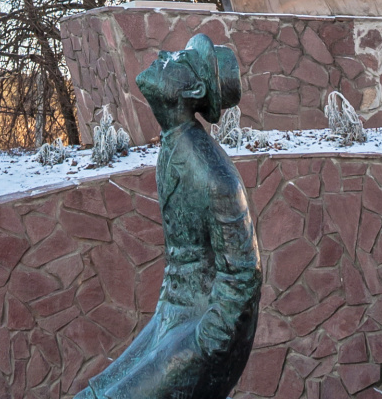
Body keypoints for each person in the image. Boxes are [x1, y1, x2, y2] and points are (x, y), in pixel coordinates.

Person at [75, 32, 262, 399]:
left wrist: (205, 342)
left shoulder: (213, 177)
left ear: (191, 90)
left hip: (199, 332)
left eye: (179, 59)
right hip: (173, 314)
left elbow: (244, 272)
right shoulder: (175, 143)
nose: (164, 54)